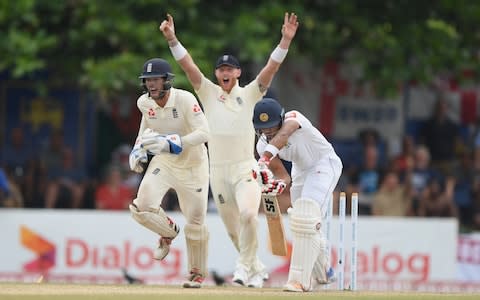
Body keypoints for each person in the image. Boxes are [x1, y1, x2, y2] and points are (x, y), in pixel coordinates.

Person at [159, 12, 298, 288]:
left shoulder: (249, 94)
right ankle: (255, 269)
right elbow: (188, 67)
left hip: (245, 167)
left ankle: (242, 269)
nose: (224, 73)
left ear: (237, 73)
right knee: (236, 231)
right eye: (220, 70)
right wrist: (172, 38)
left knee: (249, 215)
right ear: (217, 74)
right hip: (217, 173)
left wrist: (285, 40)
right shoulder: (208, 92)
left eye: (229, 69)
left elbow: (270, 69)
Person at [127, 58, 210, 288]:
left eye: (155, 79)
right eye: (148, 80)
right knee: (141, 206)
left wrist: (177, 142)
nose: (151, 84)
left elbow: (205, 133)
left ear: (166, 81)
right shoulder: (144, 102)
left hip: (194, 164)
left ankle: (196, 274)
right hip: (165, 161)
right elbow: (146, 126)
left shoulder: (184, 100)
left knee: (195, 221)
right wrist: (137, 148)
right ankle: (168, 231)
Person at [252, 98, 342, 292]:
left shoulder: (294, 119)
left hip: (324, 164)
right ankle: (324, 271)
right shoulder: (262, 146)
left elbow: (284, 134)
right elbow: (283, 177)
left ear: (281, 119)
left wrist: (264, 159)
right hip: (300, 172)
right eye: (262, 128)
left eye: (271, 126)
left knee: (306, 216)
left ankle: (299, 280)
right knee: (302, 224)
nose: (267, 132)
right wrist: (275, 185)